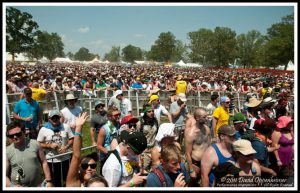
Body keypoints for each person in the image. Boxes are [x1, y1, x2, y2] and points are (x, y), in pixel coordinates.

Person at [66, 112, 109, 187]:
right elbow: (76, 156)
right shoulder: (75, 184)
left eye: (93, 166)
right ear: (79, 168)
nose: (89, 169)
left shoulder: (100, 183)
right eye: (85, 166)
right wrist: (78, 128)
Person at [6, 121, 53, 187]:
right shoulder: (7, 151)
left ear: (24, 132)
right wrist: (12, 186)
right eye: (11, 136)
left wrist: (48, 181)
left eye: (18, 134)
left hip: (38, 185)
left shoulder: (35, 144)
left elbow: (44, 162)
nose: (14, 137)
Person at [37, 110, 74, 187]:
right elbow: (38, 143)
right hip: (51, 160)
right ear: (49, 118)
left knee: (68, 180)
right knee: (55, 182)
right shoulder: (44, 129)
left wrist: (66, 147)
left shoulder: (66, 126)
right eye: (53, 118)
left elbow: (72, 139)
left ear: (60, 118)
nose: (55, 119)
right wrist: (49, 146)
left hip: (66, 159)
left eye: (57, 117)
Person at [184, 107, 211, 186]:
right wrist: (191, 170)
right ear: (197, 118)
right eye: (204, 117)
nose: (207, 119)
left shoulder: (207, 129)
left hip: (206, 163)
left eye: (207, 116)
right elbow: (188, 153)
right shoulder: (191, 133)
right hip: (195, 164)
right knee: (191, 185)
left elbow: (209, 146)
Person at [137, 104, 159, 172]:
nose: (151, 113)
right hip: (144, 152)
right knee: (144, 171)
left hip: (154, 150)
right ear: (145, 112)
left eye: (152, 111)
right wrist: (140, 152)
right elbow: (137, 138)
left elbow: (157, 134)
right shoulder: (140, 123)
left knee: (155, 170)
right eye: (149, 111)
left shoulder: (155, 121)